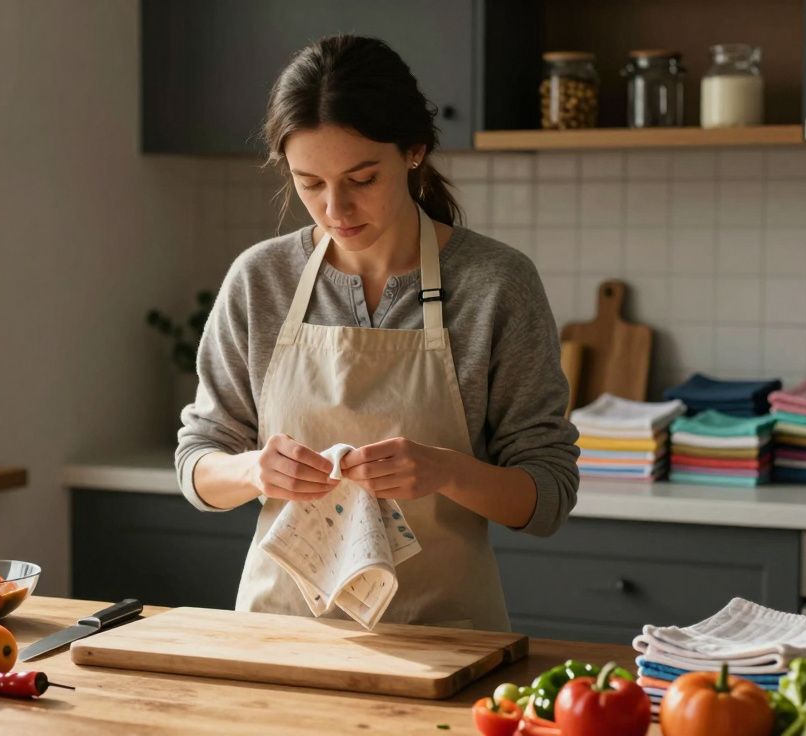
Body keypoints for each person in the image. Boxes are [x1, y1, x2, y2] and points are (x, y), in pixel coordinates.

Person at [174, 35, 579, 632]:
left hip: (445, 640)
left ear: (414, 151)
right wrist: (255, 472)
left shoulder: (496, 283)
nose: (335, 209)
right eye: (309, 182)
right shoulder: (261, 280)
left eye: (362, 179)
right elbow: (196, 462)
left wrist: (446, 472)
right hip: (279, 636)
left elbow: (548, 495)